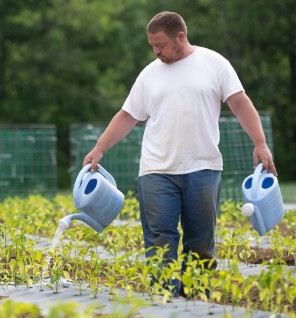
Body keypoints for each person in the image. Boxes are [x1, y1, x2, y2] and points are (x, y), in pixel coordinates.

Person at [83, 11, 277, 295]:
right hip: (156, 172)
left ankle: (196, 299)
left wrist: (260, 142)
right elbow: (127, 116)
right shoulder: (149, 74)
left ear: (180, 37)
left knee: (200, 242)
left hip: (204, 168)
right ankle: (163, 299)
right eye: (152, 45)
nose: (156, 51)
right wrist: (99, 148)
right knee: (160, 239)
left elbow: (240, 103)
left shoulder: (214, 64)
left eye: (160, 44)